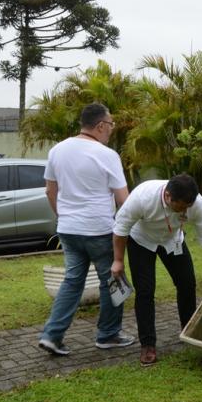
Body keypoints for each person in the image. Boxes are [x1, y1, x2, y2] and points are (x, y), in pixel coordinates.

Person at [38, 103, 134, 356]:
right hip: (99, 228)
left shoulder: (57, 150)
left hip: (68, 228)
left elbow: (50, 190)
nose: (111, 130)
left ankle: (52, 335)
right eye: (111, 125)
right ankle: (108, 334)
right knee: (112, 279)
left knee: (72, 281)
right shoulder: (106, 155)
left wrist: (64, 215)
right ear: (101, 125)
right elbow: (124, 198)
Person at [111, 174, 202, 366]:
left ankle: (190, 330)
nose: (185, 211)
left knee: (187, 283)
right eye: (181, 207)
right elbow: (120, 229)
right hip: (142, 240)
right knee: (145, 291)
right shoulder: (142, 197)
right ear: (168, 196)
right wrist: (118, 260)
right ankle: (148, 345)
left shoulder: (195, 203)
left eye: (188, 207)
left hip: (172, 240)